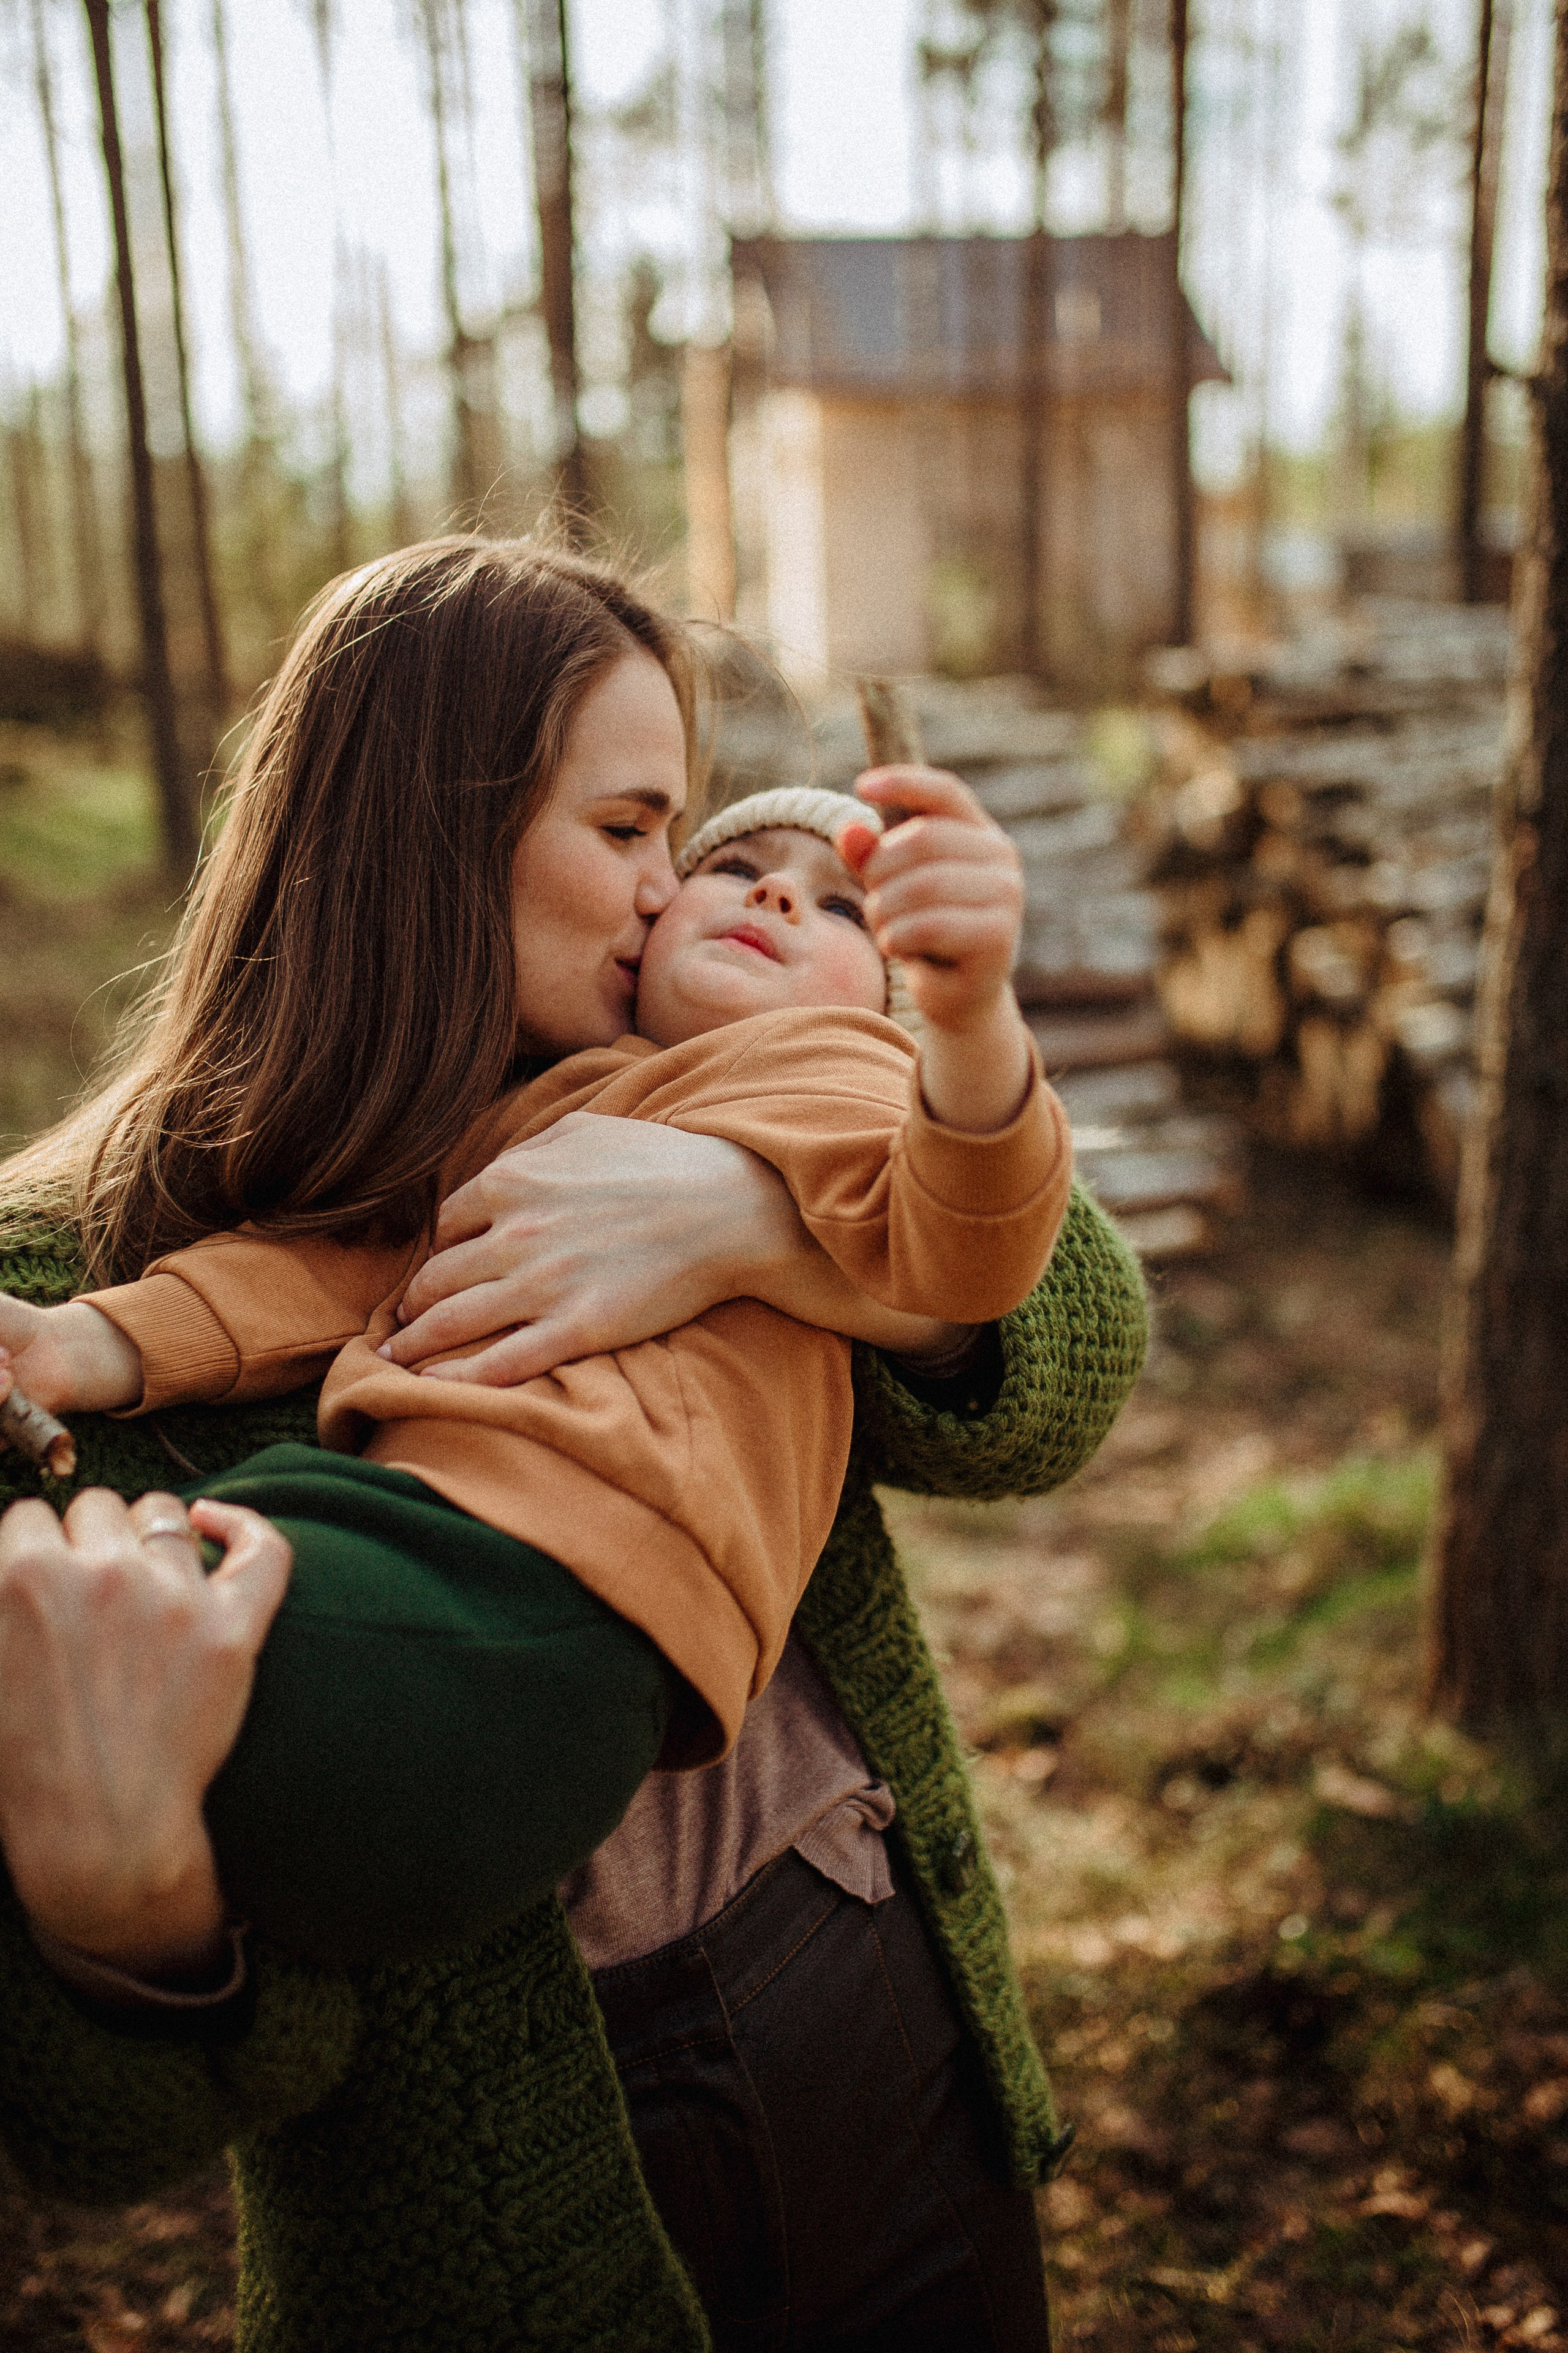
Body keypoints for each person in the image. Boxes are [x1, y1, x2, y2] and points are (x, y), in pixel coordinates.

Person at [0, 537, 1147, 2352]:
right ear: (424, 827)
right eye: (638, 834)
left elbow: (1063, 1349)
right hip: (517, 2230)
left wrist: (741, 1223)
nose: (678, 894)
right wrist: (123, 1898)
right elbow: (96, 2124)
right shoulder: (53, 1288)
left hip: (879, 2006)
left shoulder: (754, 1092)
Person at [0, 776, 1073, 1966]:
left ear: (885, 993)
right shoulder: (528, 1103)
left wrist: (970, 1027)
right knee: (100, 1614)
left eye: (843, 909)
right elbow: (352, 1265)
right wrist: (94, 1340)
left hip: (566, 1597)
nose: (775, 891)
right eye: (734, 864)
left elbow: (969, 1239)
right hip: (403, 1531)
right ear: (648, 920)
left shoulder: (845, 1072)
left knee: (113, 1640)